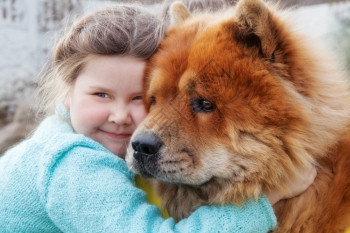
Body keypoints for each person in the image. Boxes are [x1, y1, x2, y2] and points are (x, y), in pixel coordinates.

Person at [0, 3, 316, 233]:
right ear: (68, 93)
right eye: (101, 95)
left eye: (140, 98)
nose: (123, 117)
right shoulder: (72, 167)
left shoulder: (62, 140)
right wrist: (267, 201)